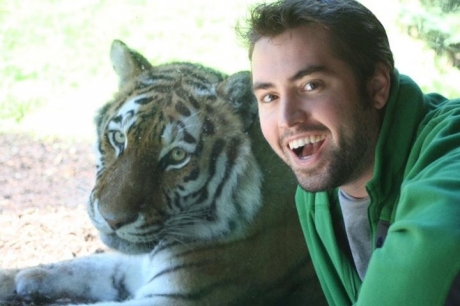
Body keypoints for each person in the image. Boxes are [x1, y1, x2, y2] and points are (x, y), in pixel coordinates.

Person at [237, 0, 460, 305]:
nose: (287, 118)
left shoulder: (451, 148)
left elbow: (434, 249)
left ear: (377, 87)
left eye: (311, 85)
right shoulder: (317, 196)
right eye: (270, 96)